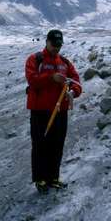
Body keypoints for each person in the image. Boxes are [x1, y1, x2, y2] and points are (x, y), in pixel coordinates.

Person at [25, 29, 82, 194]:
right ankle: (40, 179)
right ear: (47, 42)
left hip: (60, 110)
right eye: (53, 44)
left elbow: (76, 81)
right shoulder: (35, 59)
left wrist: (73, 93)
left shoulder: (65, 62)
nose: (56, 48)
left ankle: (53, 177)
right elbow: (32, 80)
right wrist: (51, 78)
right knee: (40, 144)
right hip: (39, 110)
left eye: (59, 45)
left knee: (57, 144)